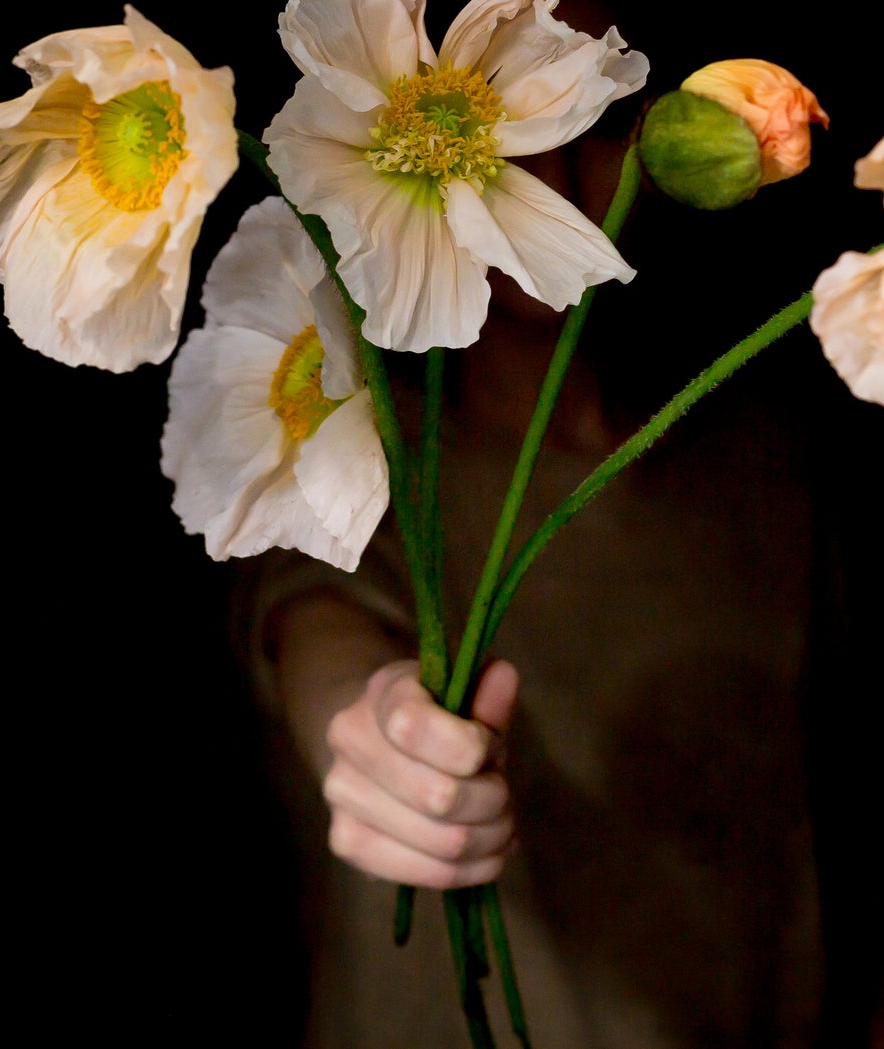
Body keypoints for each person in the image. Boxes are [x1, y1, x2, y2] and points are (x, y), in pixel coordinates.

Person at [231, 125, 851, 1048]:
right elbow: (311, 620)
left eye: (597, 131)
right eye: (505, 133)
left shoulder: (764, 455)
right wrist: (375, 734)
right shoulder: (342, 439)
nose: (550, 178)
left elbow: (830, 760)